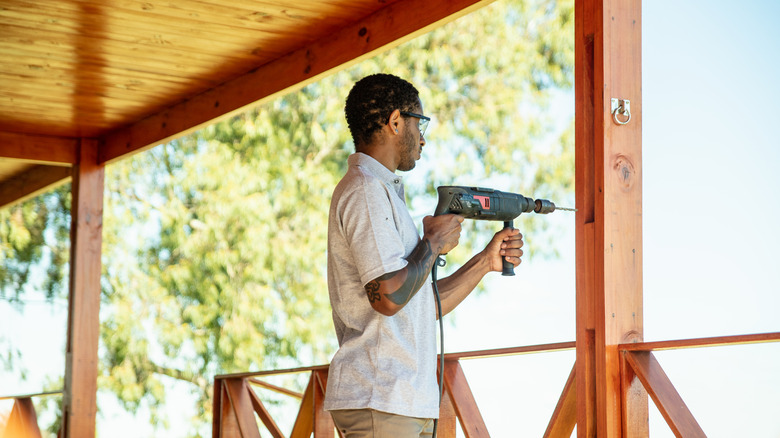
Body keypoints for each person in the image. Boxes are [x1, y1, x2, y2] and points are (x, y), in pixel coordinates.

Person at [324, 73, 524, 437]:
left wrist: (484, 262)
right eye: (421, 123)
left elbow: (416, 304)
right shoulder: (366, 192)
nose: (424, 138)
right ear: (396, 122)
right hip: (380, 398)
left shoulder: (383, 193)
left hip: (399, 402)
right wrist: (431, 243)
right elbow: (387, 297)